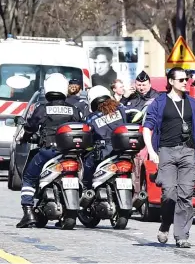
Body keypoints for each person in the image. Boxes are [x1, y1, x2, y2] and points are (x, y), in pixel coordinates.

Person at [143, 67, 195, 248]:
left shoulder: (193, 103)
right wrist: (151, 151)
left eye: (186, 79)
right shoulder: (159, 103)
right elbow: (147, 127)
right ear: (171, 82)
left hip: (188, 152)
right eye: (181, 80)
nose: (186, 82)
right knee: (169, 193)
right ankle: (166, 223)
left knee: (185, 195)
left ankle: (182, 235)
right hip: (166, 151)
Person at [16, 73, 82, 228]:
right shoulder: (73, 109)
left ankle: (28, 213)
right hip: (69, 152)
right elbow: (81, 125)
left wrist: (24, 138)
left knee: (29, 177)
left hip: (48, 150)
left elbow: (30, 127)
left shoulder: (42, 109)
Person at [82, 85, 129, 190]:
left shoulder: (91, 118)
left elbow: (88, 136)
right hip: (124, 151)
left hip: (104, 153)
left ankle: (87, 190)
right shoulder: (121, 109)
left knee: (88, 164)